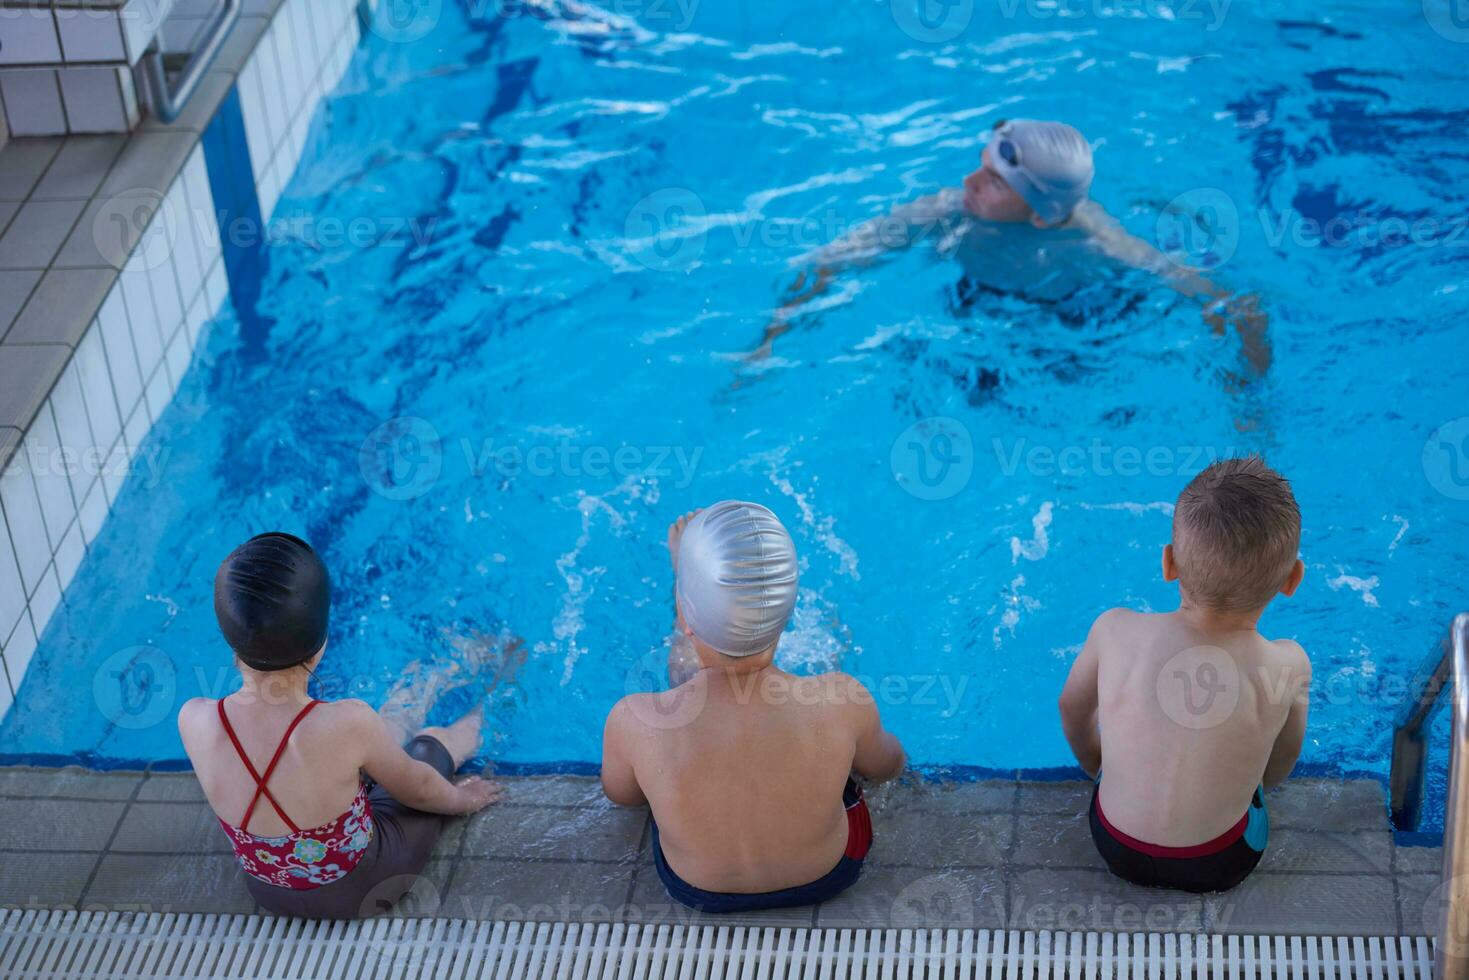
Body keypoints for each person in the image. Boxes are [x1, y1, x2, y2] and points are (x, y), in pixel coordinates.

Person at [755, 118, 1270, 376]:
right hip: (979, 302)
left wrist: (1244, 383)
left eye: (995, 182)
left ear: (1044, 215)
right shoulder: (947, 210)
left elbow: (1233, 301)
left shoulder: (1098, 243)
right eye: (981, 163)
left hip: (1084, 316)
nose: (970, 180)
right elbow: (835, 259)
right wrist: (774, 334)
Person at [600, 501, 907, 913]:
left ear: (685, 615)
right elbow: (887, 767)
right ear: (788, 612)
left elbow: (623, 796)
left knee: (670, 745)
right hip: (826, 874)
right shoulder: (842, 698)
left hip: (697, 887)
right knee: (837, 743)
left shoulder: (633, 719)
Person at [178, 532, 502, 919]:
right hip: (362, 887)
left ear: (230, 639)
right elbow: (419, 789)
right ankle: (494, 695)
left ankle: (434, 680)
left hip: (267, 888)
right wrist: (465, 800)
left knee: (373, 732)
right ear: (321, 643)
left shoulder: (194, 717)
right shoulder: (346, 721)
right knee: (427, 743)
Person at [1056, 457, 1311, 892]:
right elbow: (1282, 760)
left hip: (1113, 843)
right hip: (1220, 861)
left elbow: (1071, 707)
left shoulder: (1115, 629)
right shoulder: (1288, 663)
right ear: (1293, 579)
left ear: (1168, 563)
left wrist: (1095, 763)